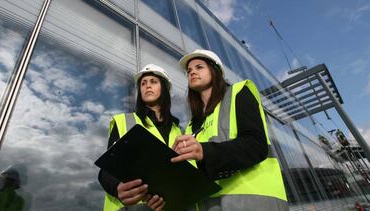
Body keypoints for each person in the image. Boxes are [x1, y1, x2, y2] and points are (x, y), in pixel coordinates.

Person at [171, 49, 288, 210]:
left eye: (199, 67)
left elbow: (256, 145)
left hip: (254, 203)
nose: (192, 72)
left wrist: (205, 152)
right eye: (189, 71)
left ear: (215, 70)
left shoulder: (238, 93)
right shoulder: (192, 125)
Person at [98, 64, 182, 211]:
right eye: (143, 83)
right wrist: (117, 187)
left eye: (153, 82)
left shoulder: (179, 131)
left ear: (165, 89)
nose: (147, 86)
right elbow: (106, 170)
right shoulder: (124, 121)